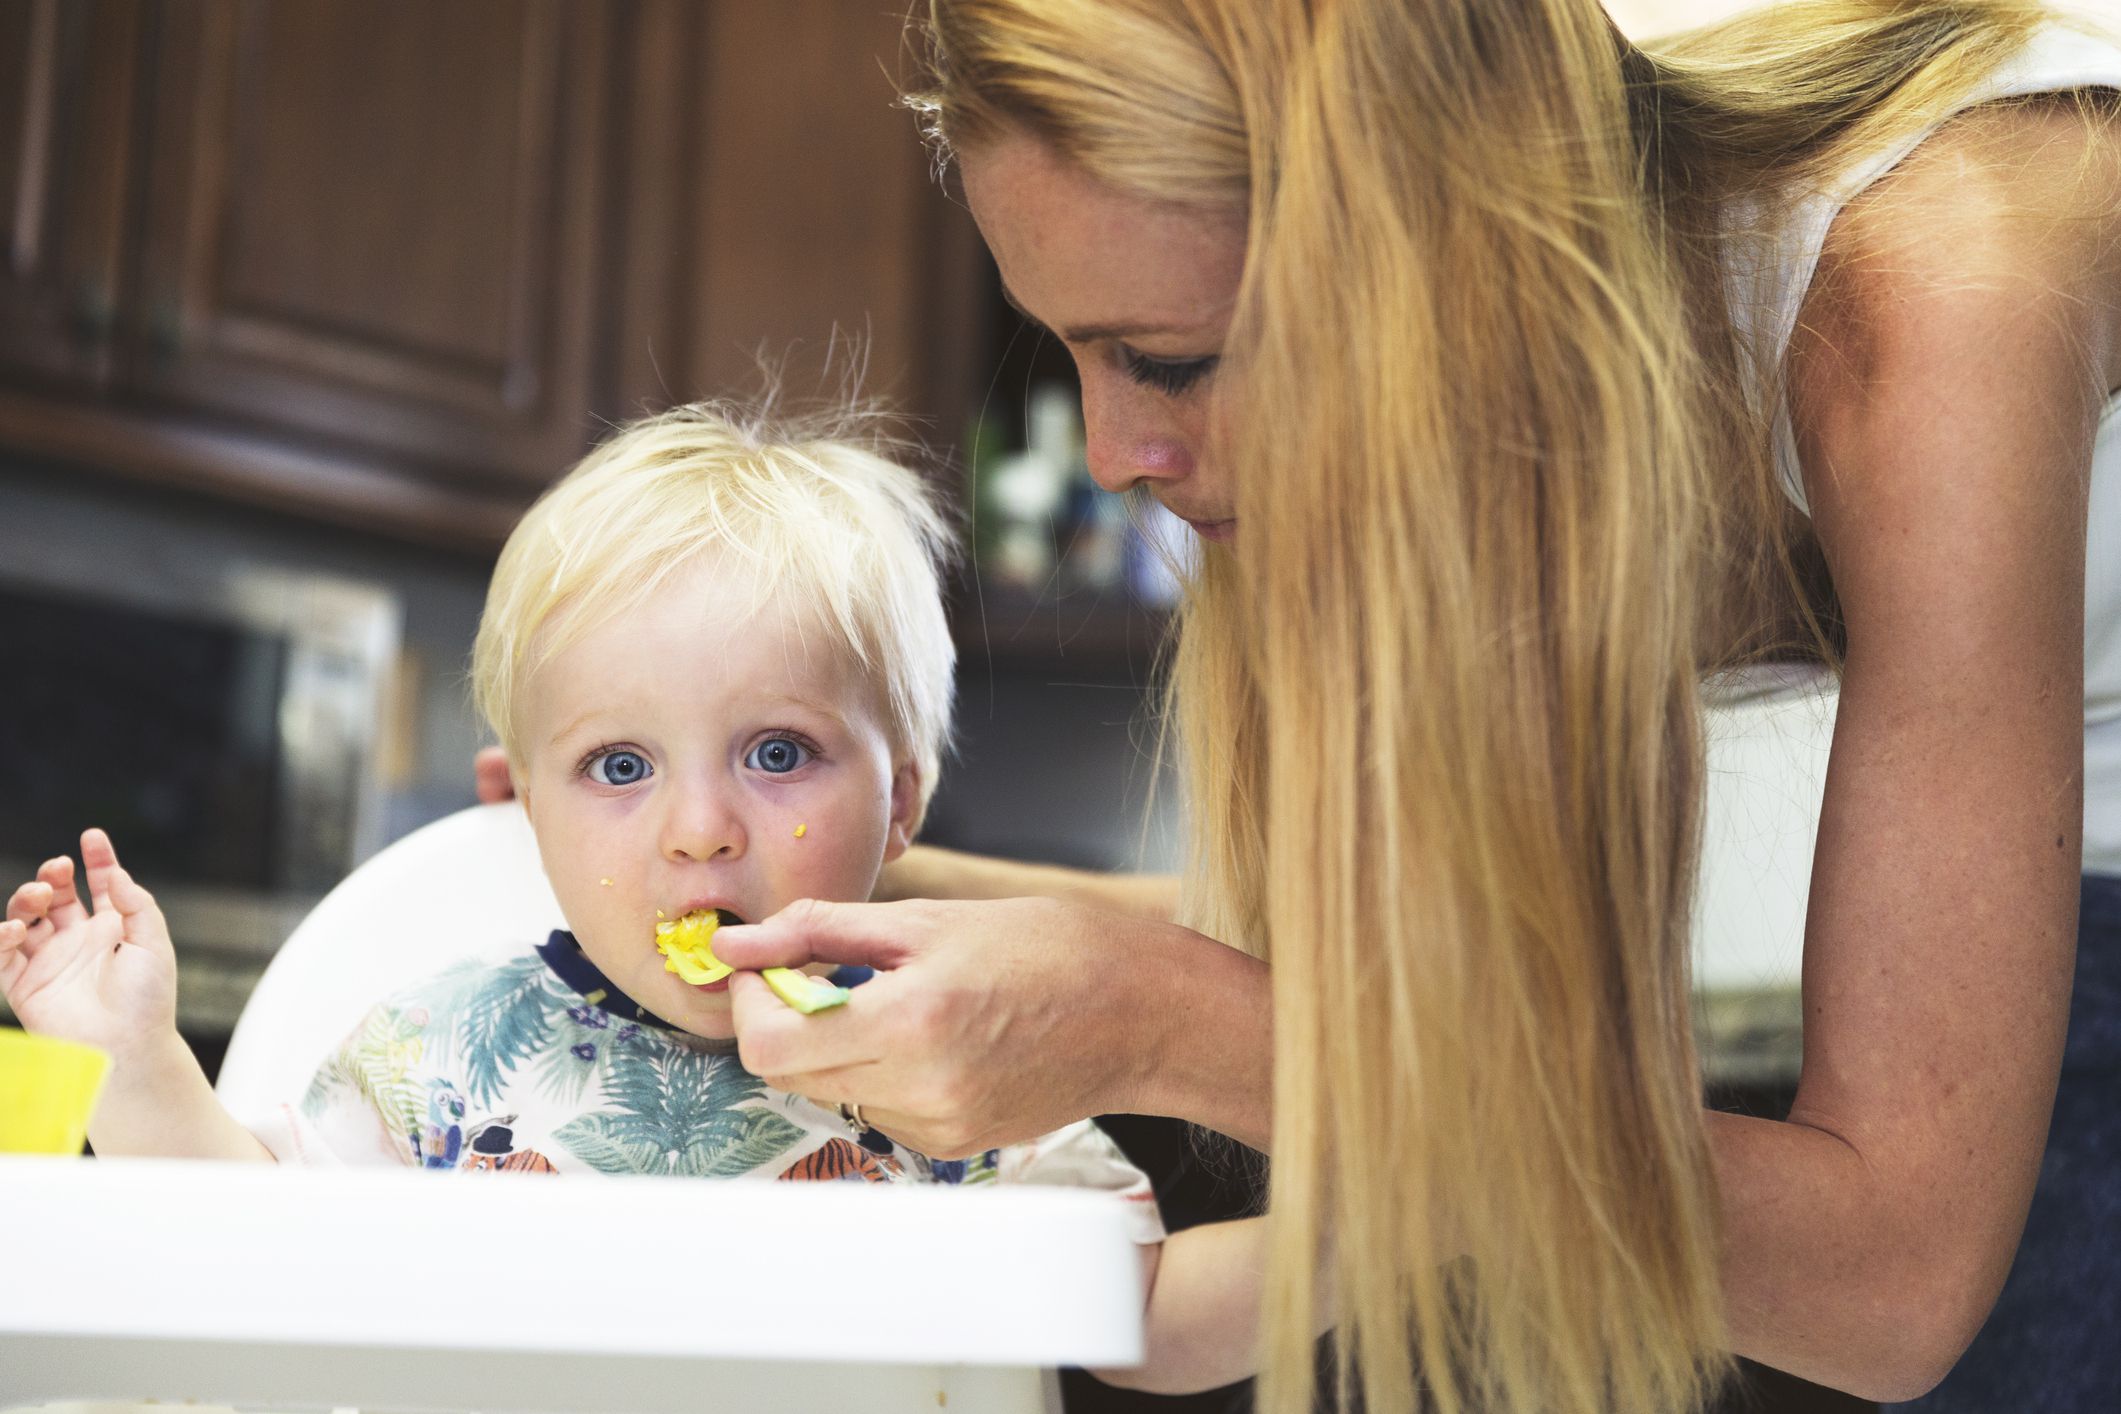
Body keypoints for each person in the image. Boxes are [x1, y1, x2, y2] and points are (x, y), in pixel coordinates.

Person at [628, 4, 2112, 1412]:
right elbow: (1334, 965)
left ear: (1430, 270)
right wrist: (843, 882)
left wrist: (1163, 1024)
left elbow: (1896, 1283)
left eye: (1169, 360)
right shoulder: (1528, 350)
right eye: (1067, 347)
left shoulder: (1938, 295)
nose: (1113, 448)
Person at [0, 403, 1282, 1396]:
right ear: (525, 816)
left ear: (901, 801)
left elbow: (1149, 1320)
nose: (702, 830)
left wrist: (1382, 1218)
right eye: (620, 766)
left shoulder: (967, 1054)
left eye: (779, 752)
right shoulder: (437, 1051)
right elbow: (246, 1261)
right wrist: (136, 1059)